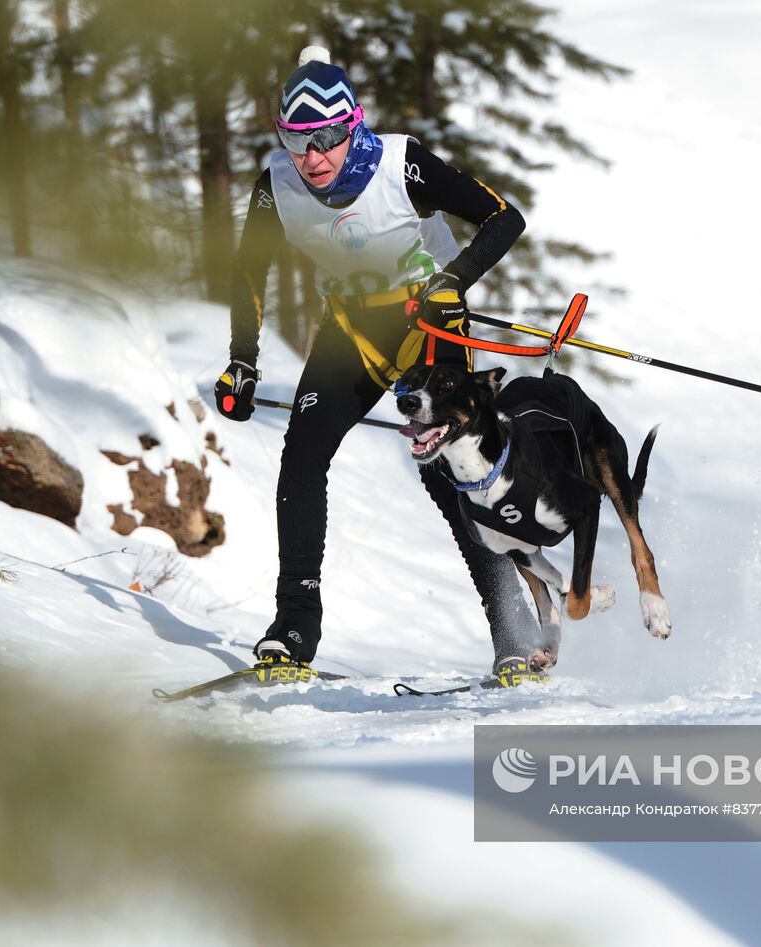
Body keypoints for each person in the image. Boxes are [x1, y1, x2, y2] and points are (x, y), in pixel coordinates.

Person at [214, 46, 543, 685]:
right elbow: (248, 273)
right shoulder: (276, 186)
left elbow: (505, 219)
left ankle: (514, 631)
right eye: (296, 140)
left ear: (352, 126)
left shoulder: (401, 164)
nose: (313, 158)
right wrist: (242, 362)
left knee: (450, 472)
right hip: (353, 328)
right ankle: (293, 628)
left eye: (328, 138)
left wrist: (454, 278)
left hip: (429, 320)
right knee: (303, 456)